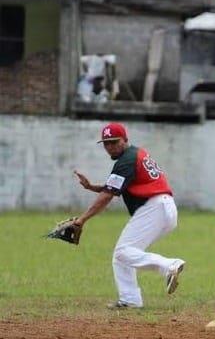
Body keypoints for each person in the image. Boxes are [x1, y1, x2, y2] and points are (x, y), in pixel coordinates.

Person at [73, 122, 186, 308]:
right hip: (163, 208)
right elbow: (113, 187)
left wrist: (82, 219)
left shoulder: (126, 160)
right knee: (122, 255)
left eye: (114, 142)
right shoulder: (134, 155)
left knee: (123, 251)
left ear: (125, 140)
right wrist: (92, 187)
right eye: (106, 143)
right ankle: (130, 299)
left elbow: (108, 195)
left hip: (154, 207)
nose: (110, 147)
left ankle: (170, 265)